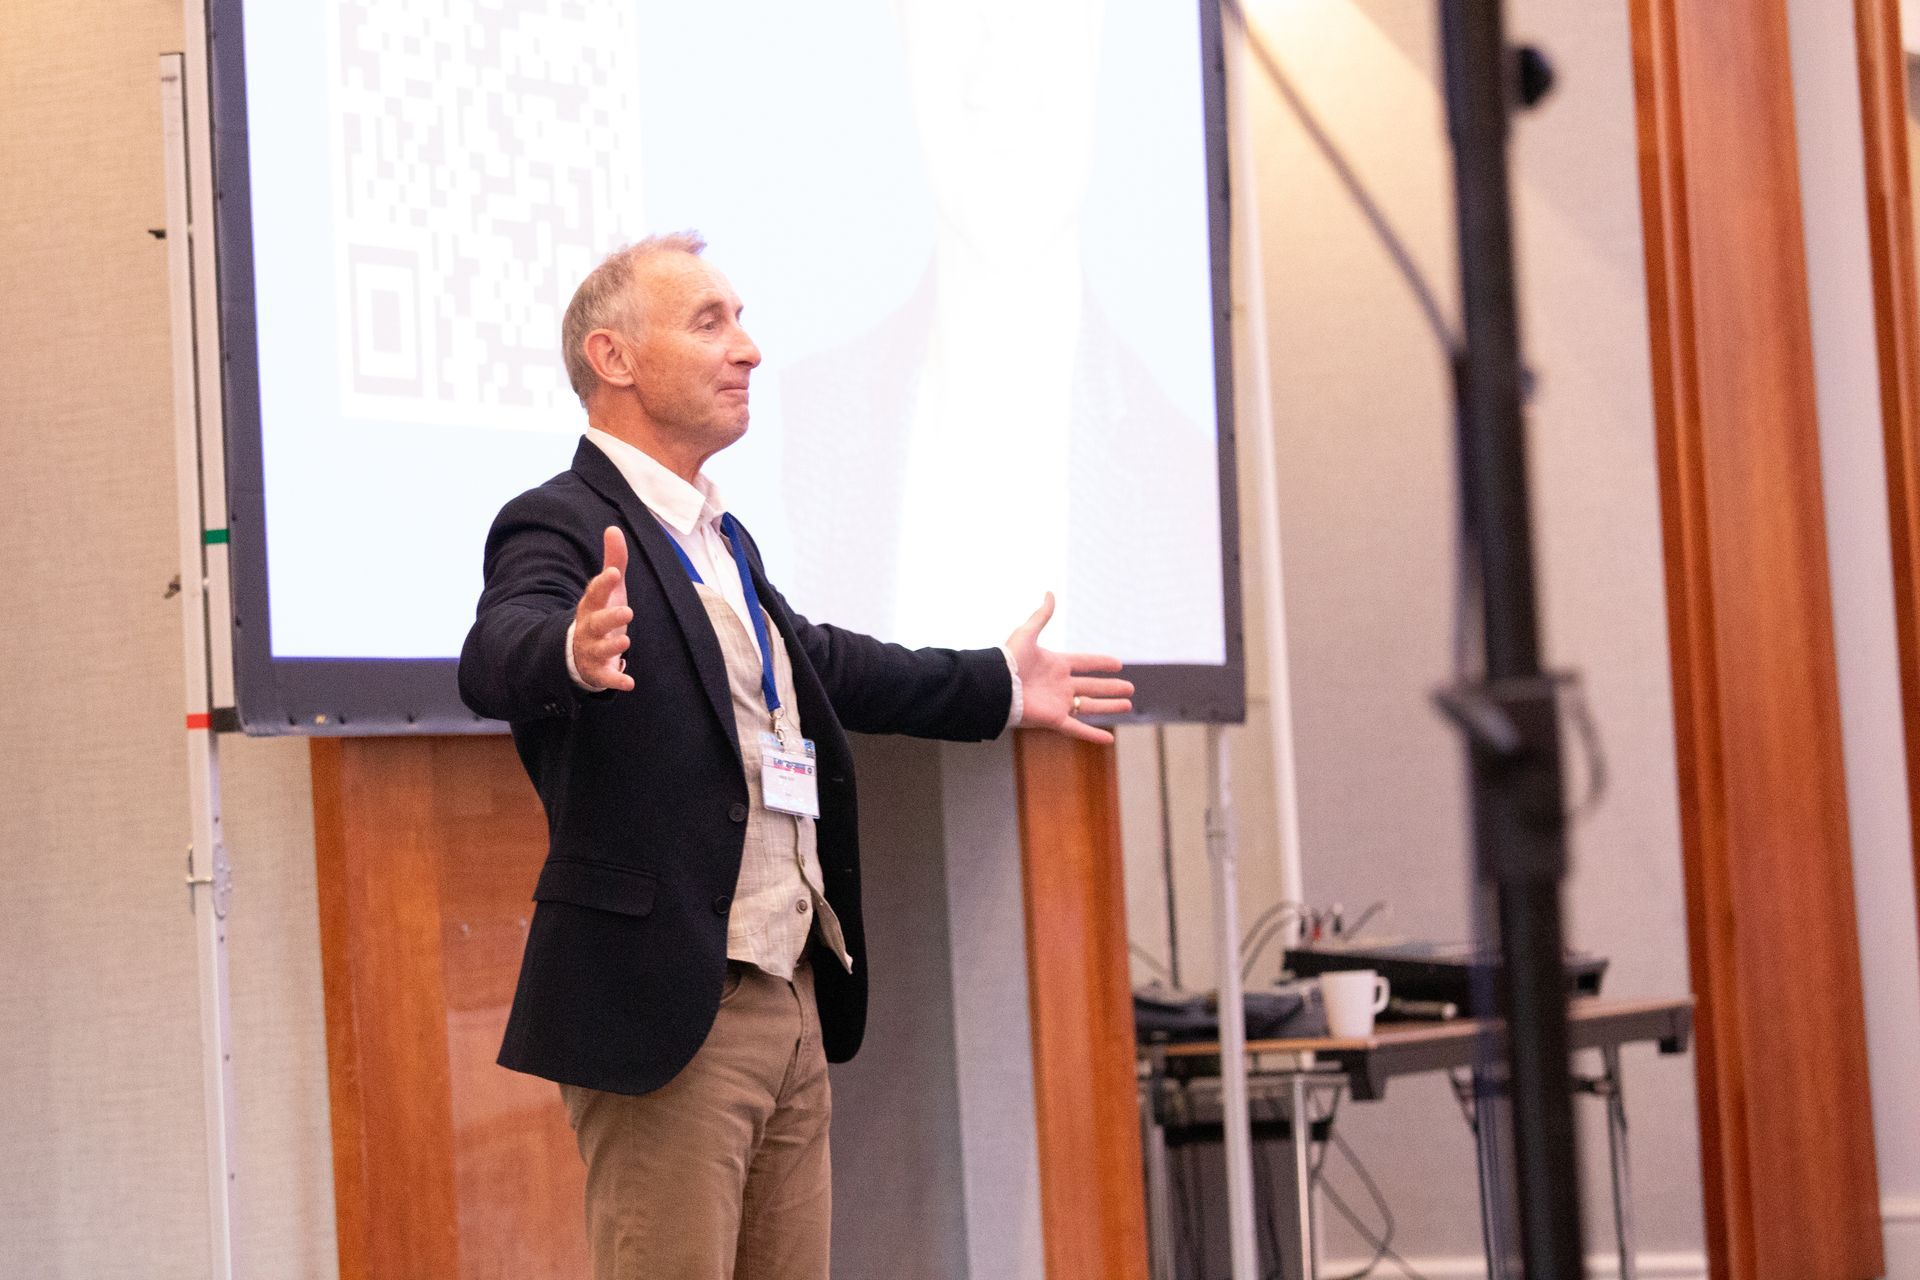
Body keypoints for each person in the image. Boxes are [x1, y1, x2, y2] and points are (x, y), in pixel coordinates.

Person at [457, 230, 1133, 1280]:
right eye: (710, 321)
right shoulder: (561, 520)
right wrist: (570, 650)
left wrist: (998, 684)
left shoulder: (719, 538)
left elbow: (820, 663)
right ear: (614, 358)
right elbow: (497, 647)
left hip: (788, 993)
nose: (752, 350)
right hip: (670, 1005)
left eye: (742, 319)